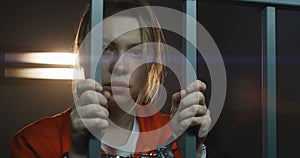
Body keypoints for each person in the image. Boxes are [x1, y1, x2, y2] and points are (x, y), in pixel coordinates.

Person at [10, 0, 211, 157]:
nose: (119, 66)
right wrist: (79, 153)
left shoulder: (176, 135)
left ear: (152, 65)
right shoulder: (34, 142)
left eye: (135, 52)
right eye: (106, 49)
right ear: (82, 56)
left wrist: (191, 151)